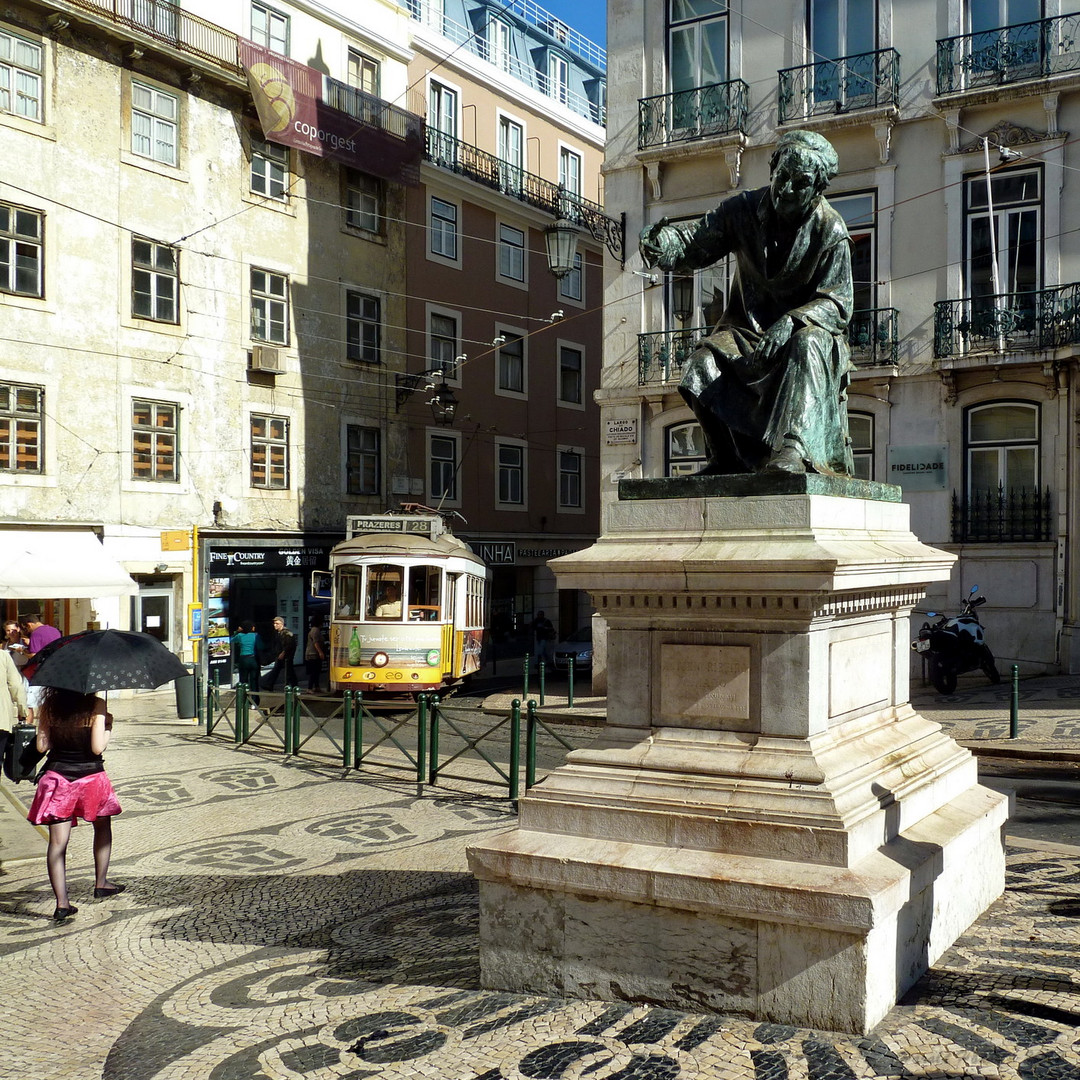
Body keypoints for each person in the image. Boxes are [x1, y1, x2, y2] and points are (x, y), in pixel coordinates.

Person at [639, 129, 855, 477]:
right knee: (701, 363)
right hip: (747, 334)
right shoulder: (742, 210)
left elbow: (839, 303)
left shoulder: (831, 231)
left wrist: (792, 321)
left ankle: (793, 449)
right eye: (782, 177)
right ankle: (725, 458)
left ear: (817, 190)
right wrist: (662, 244)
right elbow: (695, 242)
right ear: (772, 168)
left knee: (807, 342)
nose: (785, 190)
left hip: (806, 339)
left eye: (799, 184)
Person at [26, 687, 124, 921]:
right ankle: (101, 883)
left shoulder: (50, 706)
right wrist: (108, 727)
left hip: (58, 779)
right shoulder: (96, 704)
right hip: (91, 779)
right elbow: (97, 747)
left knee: (57, 844)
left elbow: (41, 746)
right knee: (102, 827)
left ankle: (62, 904)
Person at [261, 616, 297, 690]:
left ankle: (293, 686)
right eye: (274, 623)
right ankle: (269, 685)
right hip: (280, 655)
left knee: (289, 671)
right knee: (277, 670)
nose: (275, 625)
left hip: (286, 656)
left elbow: (290, 644)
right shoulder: (278, 633)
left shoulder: (286, 633)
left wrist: (283, 653)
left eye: (277, 623)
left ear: (282, 624)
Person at [231, 620, 260, 694]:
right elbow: (260, 646)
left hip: (243, 659)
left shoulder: (240, 636)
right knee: (254, 681)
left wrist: (237, 631)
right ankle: (254, 701)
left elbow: (231, 639)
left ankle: (243, 700)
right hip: (253, 659)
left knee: (243, 680)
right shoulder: (256, 635)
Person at [305, 616, 326, 693]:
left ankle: (317, 686)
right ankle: (309, 688)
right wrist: (320, 652)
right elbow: (315, 642)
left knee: (316, 671)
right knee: (314, 671)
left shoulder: (314, 630)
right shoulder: (315, 630)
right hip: (313, 654)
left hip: (313, 653)